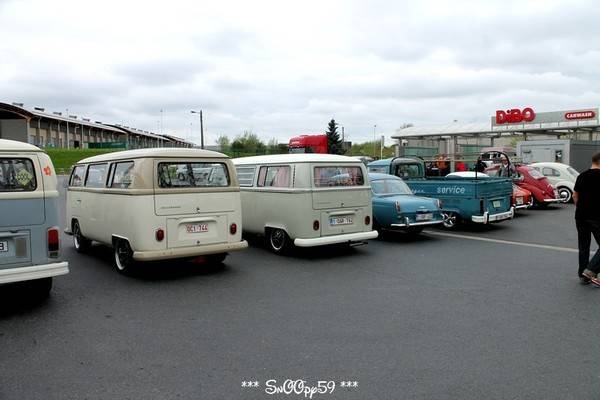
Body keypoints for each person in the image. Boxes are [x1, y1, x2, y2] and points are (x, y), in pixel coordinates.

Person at [575, 152, 600, 285]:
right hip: (597, 217)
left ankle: (582, 274)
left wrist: (581, 208)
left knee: (583, 246)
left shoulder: (581, 176)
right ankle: (590, 271)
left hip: (580, 217)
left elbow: (575, 196)